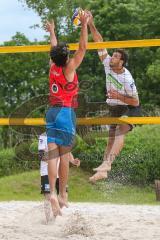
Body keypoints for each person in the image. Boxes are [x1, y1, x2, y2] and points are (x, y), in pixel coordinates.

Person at [87, 12, 141, 182]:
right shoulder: (107, 63)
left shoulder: (127, 78)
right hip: (113, 106)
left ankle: (107, 166)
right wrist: (90, 23)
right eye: (113, 55)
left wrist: (118, 95)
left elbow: (136, 101)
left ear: (122, 62)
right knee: (110, 138)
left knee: (119, 131)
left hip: (129, 107)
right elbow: (99, 41)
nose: (112, 57)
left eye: (116, 56)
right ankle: (103, 169)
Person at [45, 11, 89, 217]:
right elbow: (83, 48)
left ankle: (52, 192)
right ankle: (62, 194)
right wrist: (84, 24)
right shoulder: (68, 68)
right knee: (64, 157)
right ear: (67, 57)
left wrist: (52, 31)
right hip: (65, 112)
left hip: (51, 112)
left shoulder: (53, 66)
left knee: (52, 154)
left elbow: (54, 49)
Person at [38, 132, 80, 223]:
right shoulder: (44, 136)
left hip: (60, 173)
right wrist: (55, 155)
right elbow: (41, 156)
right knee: (48, 197)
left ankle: (53, 218)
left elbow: (67, 152)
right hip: (46, 173)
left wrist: (73, 160)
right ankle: (47, 220)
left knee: (64, 198)